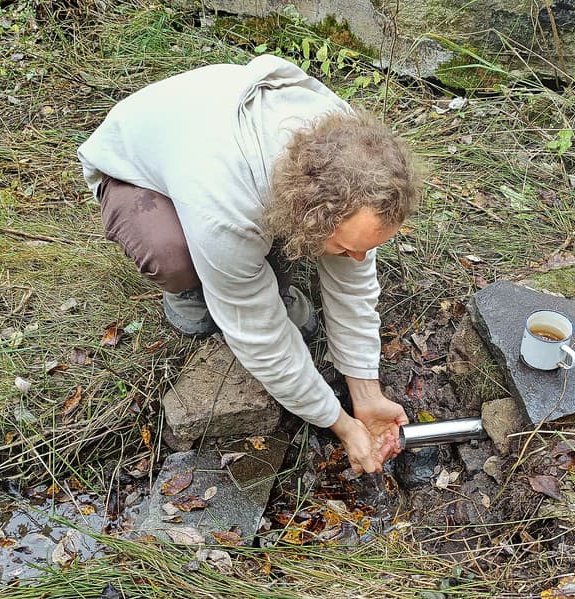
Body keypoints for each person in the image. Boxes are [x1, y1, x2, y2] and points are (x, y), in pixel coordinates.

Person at [77, 54, 423, 474]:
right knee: (175, 256)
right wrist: (339, 423)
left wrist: (365, 393)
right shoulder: (223, 212)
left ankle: (255, 271)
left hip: (216, 145)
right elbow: (261, 338)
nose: (359, 258)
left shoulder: (360, 161)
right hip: (135, 172)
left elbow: (353, 284)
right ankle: (188, 293)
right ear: (308, 212)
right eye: (347, 246)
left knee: (288, 259)